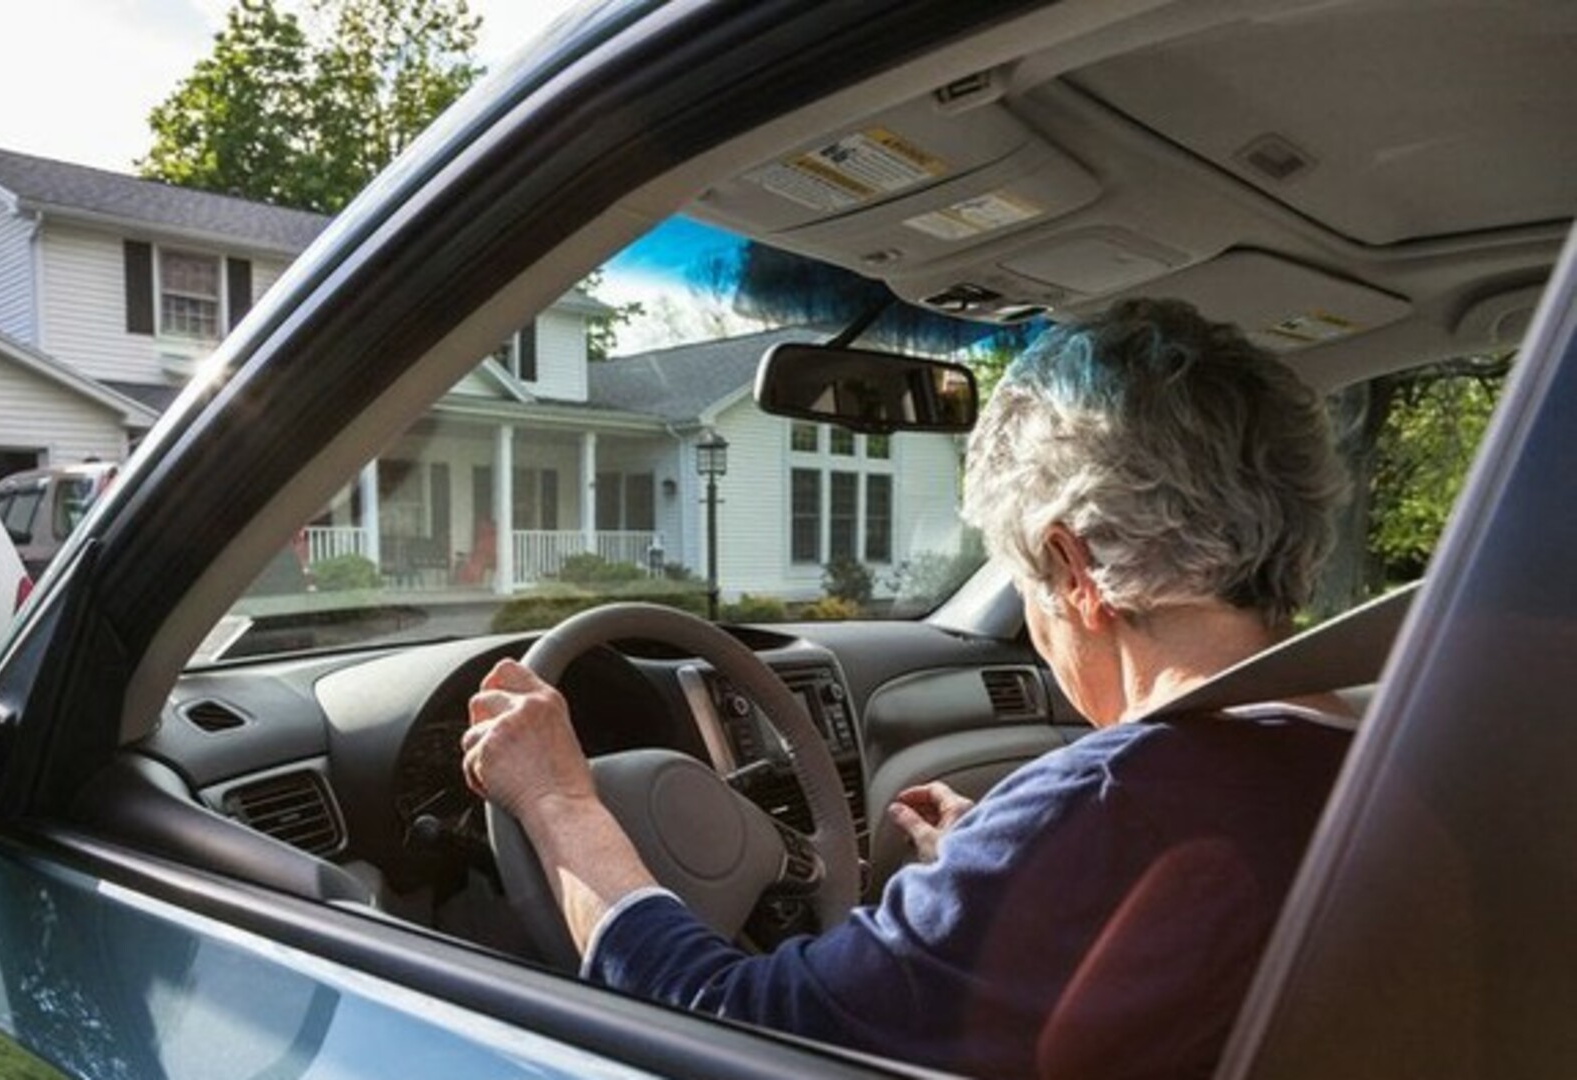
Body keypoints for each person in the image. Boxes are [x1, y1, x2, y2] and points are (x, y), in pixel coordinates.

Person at [461, 298, 1354, 1079]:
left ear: (1071, 569)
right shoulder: (1375, 745)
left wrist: (557, 801)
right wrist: (991, 876)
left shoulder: (1115, 807)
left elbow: (732, 1033)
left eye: (1023, 574)